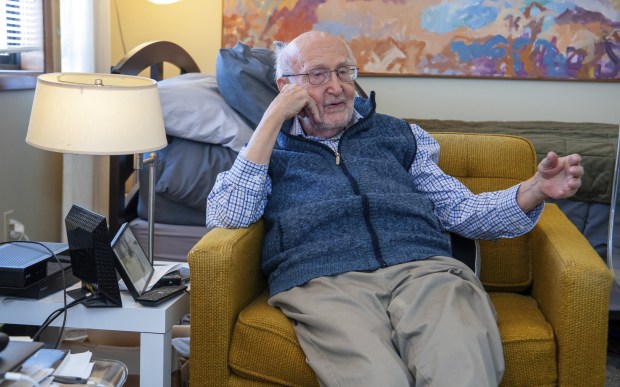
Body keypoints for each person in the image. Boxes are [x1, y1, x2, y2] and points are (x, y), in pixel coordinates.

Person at [206, 31, 583, 387]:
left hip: (424, 269)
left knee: (461, 370)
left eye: (344, 72)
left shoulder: (400, 136)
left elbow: (461, 209)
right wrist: (272, 120)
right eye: (317, 75)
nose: (335, 87)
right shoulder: (267, 149)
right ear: (286, 87)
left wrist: (534, 189)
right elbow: (228, 216)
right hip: (325, 279)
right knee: (375, 378)